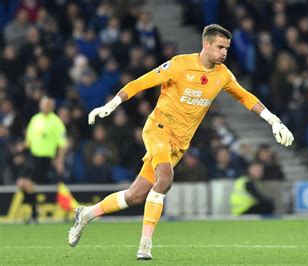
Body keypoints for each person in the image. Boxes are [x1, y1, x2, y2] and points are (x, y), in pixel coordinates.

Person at [68, 24, 294, 260]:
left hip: (179, 143)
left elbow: (245, 96)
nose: (224, 52)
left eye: (226, 48)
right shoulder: (179, 65)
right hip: (158, 129)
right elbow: (139, 83)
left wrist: (273, 121)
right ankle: (145, 244)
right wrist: (110, 106)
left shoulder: (223, 75)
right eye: (220, 47)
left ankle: (86, 214)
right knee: (165, 178)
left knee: (135, 196)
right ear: (206, 44)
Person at [16, 96, 67, 223]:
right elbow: (29, 140)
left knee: (28, 184)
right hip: (32, 156)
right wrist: (22, 146)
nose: (45, 106)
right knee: (21, 183)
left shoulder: (56, 122)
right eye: (43, 104)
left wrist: (59, 160)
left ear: (52, 107)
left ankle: (34, 213)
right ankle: (34, 210)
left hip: (44, 158)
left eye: (48, 104)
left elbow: (62, 143)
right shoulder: (35, 119)